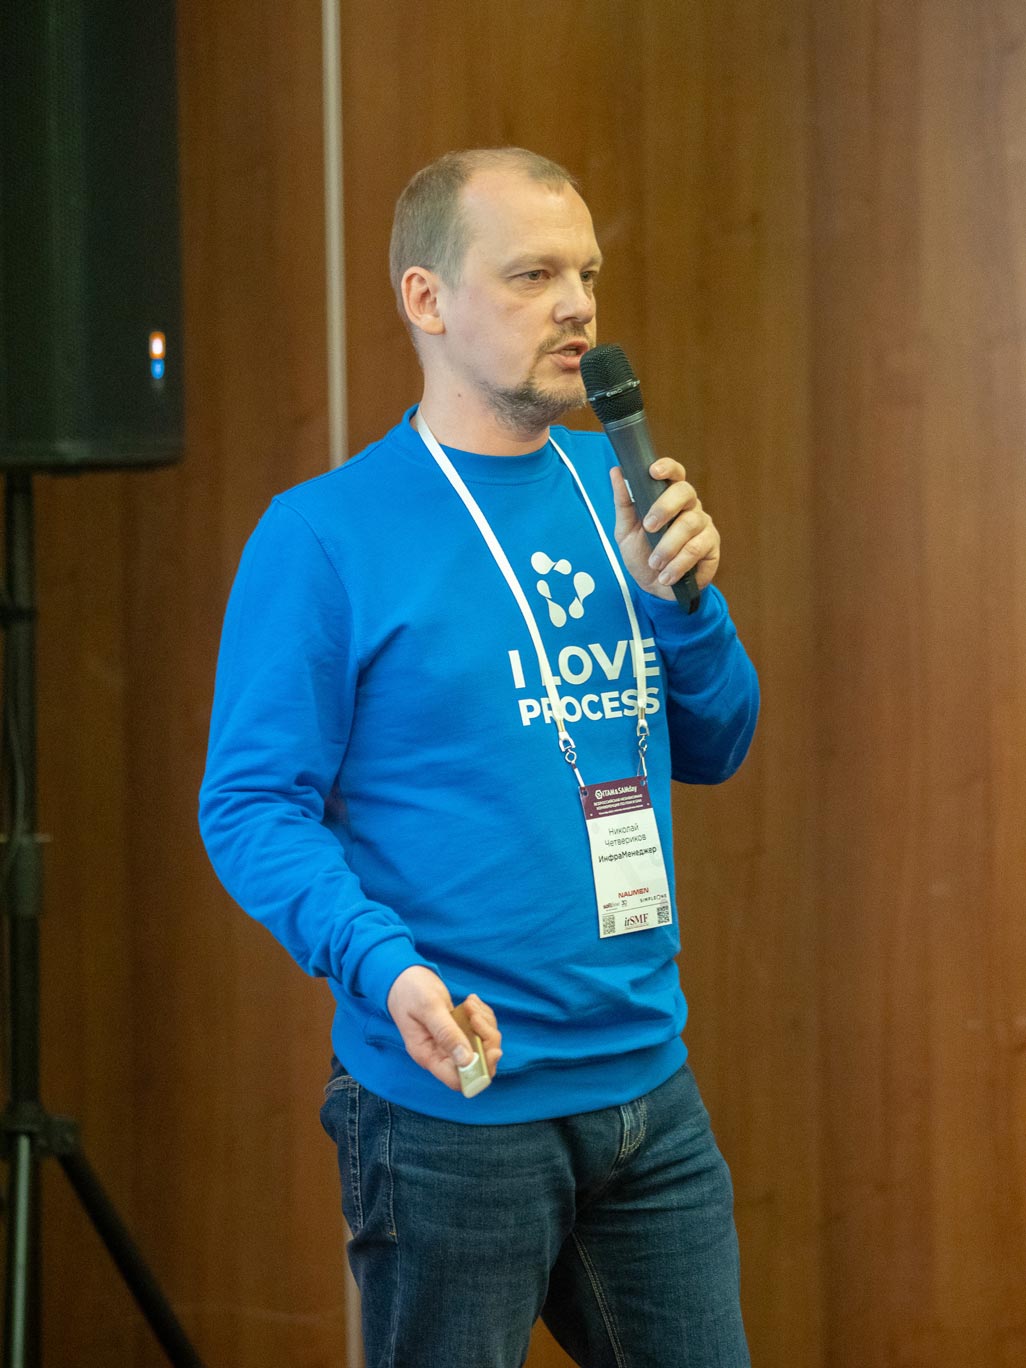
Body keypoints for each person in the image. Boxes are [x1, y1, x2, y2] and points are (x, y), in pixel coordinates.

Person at [200, 147, 759, 1368]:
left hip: (648, 1092)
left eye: (587, 274)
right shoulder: (325, 535)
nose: (576, 306)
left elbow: (719, 743)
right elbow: (249, 806)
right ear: (427, 298)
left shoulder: (619, 487)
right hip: (454, 1110)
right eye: (532, 275)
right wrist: (381, 966)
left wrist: (685, 606)